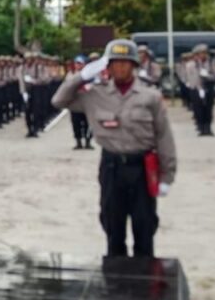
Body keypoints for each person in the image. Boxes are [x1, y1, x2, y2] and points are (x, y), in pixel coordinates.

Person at [52, 39, 176, 257]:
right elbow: (59, 101)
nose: (120, 67)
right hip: (111, 167)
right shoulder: (94, 95)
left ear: (134, 66)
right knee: (113, 226)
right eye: (114, 63)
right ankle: (115, 284)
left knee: (144, 227)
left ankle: (144, 284)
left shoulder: (150, 97)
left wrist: (167, 176)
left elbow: (164, 137)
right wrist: (81, 76)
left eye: (125, 63)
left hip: (142, 169)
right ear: (106, 67)